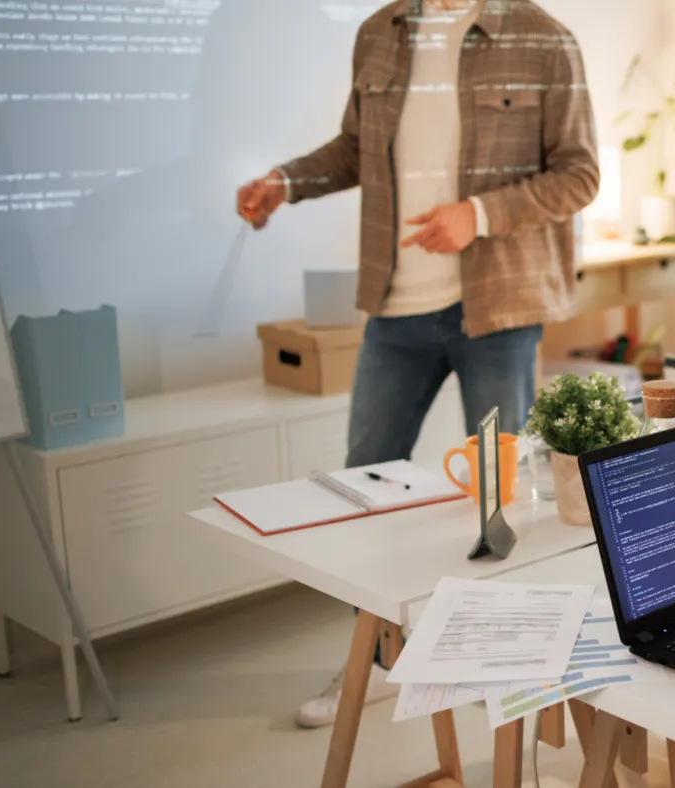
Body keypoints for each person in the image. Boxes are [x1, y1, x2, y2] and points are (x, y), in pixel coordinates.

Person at [235, 0, 599, 728]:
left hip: (496, 308)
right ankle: (375, 661)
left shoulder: (544, 38)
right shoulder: (379, 32)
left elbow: (580, 175)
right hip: (395, 310)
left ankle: (506, 675)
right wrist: (286, 181)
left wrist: (481, 214)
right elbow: (353, 148)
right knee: (359, 488)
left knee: (497, 506)